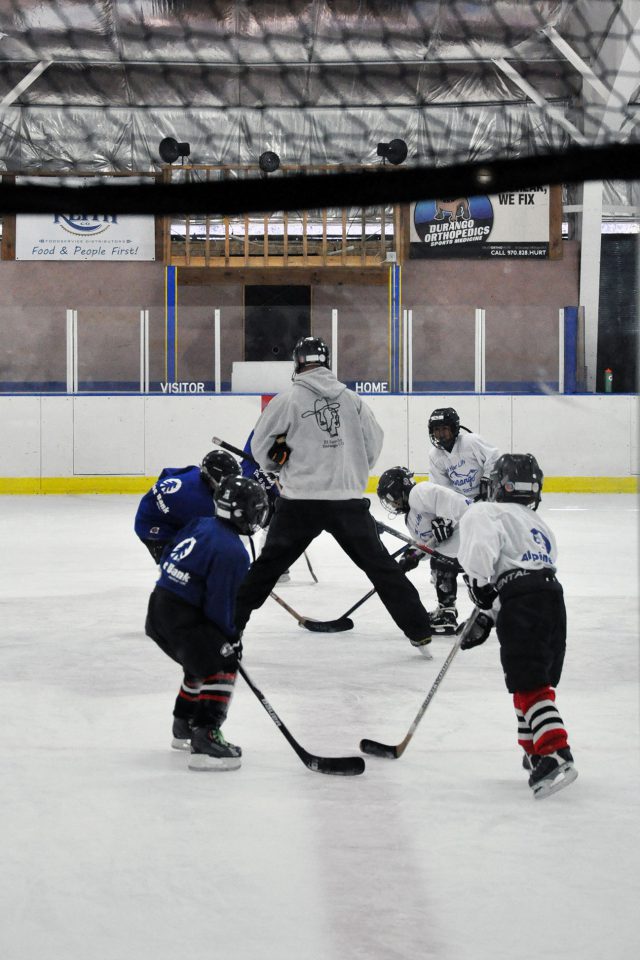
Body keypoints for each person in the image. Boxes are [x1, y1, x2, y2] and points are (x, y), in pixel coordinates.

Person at [233, 335, 433, 655]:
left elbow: (264, 449)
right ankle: (419, 629)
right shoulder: (352, 400)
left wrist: (281, 465)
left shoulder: (287, 401)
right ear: (327, 362)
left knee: (266, 569)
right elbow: (373, 442)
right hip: (347, 503)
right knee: (381, 567)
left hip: (299, 503)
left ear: (297, 363)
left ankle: (229, 627)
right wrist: (351, 472)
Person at [457, 453, 578, 799]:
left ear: (497, 485)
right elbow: (526, 571)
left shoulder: (484, 510)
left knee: (528, 679)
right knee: (531, 678)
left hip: (521, 600)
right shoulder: (538, 523)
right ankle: (535, 748)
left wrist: (480, 589)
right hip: (552, 597)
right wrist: (490, 615)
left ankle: (555, 752)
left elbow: (483, 554)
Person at [145, 475, 269, 771]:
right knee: (222, 664)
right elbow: (221, 605)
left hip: (159, 609)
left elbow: (171, 559)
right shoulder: (233, 553)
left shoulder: (201, 524)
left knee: (199, 660)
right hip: (182, 618)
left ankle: (183, 725)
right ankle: (206, 736)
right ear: (241, 512)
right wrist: (230, 639)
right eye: (256, 508)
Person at [377, 467, 472, 635]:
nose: (392, 503)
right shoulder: (410, 519)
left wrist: (445, 520)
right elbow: (426, 544)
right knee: (439, 560)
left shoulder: (419, 492)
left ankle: (448, 614)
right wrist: (411, 556)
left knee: (440, 561)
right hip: (457, 544)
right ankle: (447, 611)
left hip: (470, 532)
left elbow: (449, 499)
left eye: (391, 498)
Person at [134, 449, 240, 562]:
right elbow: (210, 535)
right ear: (214, 478)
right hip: (150, 527)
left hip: (148, 506)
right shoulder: (201, 504)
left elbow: (166, 472)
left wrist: (166, 502)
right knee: (190, 565)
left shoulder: (194, 471)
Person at [428, 407, 500, 501]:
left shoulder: (471, 442)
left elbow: (494, 458)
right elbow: (442, 487)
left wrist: (487, 479)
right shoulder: (434, 455)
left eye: (444, 428)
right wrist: (460, 502)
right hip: (462, 503)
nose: (441, 434)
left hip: (487, 498)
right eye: (437, 429)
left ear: (454, 428)